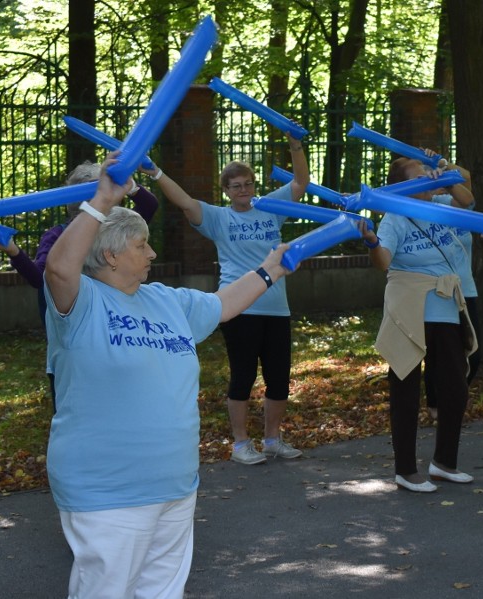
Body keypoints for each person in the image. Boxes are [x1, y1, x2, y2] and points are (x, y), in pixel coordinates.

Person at [43, 152, 292, 598]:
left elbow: (226, 303)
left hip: (175, 484)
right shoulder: (80, 307)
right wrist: (101, 199)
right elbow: (60, 267)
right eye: (142, 245)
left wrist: (272, 267)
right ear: (111, 255)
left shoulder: (165, 300)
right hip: (108, 491)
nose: (152, 252)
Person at [150, 131, 309, 464]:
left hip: (276, 307)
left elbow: (301, 182)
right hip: (238, 307)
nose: (244, 190)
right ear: (226, 190)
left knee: (279, 376)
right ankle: (240, 444)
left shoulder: (270, 208)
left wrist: (295, 144)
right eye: (236, 186)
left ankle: (272, 439)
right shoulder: (219, 218)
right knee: (243, 374)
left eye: (248, 183)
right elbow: (184, 202)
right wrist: (156, 173)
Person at [0, 161, 158, 407]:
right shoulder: (58, 236)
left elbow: (149, 204)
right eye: (100, 191)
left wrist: (129, 184)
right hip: (73, 335)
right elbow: (39, 278)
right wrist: (13, 251)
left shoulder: (118, 231)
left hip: (116, 330)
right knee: (73, 402)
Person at [359, 154, 477, 493]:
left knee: (455, 385)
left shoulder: (441, 202)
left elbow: (468, 200)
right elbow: (384, 260)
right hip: (408, 307)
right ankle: (405, 470)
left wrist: (444, 177)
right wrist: (371, 242)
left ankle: (444, 462)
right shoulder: (394, 218)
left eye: (428, 175)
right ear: (402, 188)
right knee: (405, 387)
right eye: (419, 177)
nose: (427, 180)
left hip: (444, 307)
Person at [422, 154, 478, 421]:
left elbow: (466, 187)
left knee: (473, 351)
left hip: (466, 289)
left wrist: (442, 164)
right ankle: (437, 406)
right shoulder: (421, 209)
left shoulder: (449, 202)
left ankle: (454, 397)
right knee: (438, 354)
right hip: (439, 293)